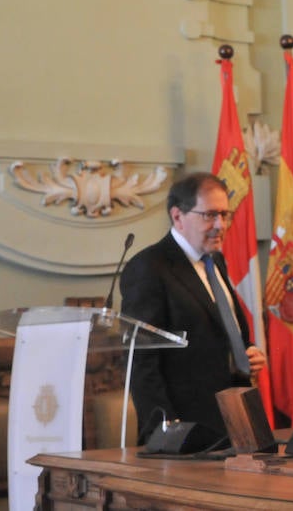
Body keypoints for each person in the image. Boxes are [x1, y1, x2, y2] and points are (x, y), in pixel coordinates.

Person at [121, 172, 266, 444]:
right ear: (178, 216)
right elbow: (140, 362)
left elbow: (216, 335)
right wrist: (164, 432)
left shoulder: (214, 263)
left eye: (225, 214)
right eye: (209, 215)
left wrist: (245, 354)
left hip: (233, 423)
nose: (220, 225)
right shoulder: (150, 267)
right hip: (185, 431)